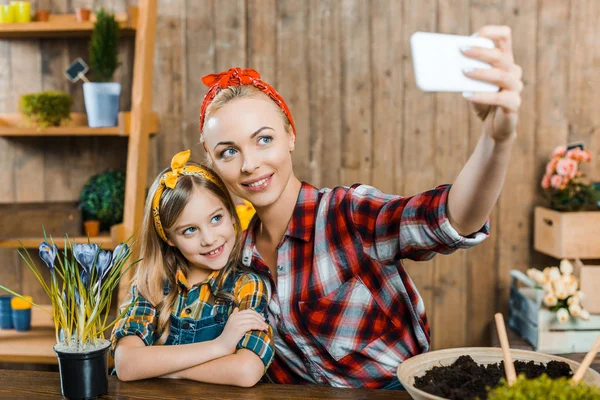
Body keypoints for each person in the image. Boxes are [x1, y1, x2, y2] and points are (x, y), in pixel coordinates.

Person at [197, 25, 522, 389]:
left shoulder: (347, 213)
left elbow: (451, 218)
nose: (248, 164)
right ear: (211, 162)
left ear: (290, 135)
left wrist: (497, 140)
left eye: (264, 140)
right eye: (228, 151)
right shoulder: (233, 255)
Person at [111, 150, 274, 387]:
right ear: (169, 238)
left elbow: (247, 370)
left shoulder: (247, 285)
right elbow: (126, 364)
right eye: (189, 230)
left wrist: (160, 370)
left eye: (216, 218)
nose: (208, 239)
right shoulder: (151, 284)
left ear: (230, 213)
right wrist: (220, 346)